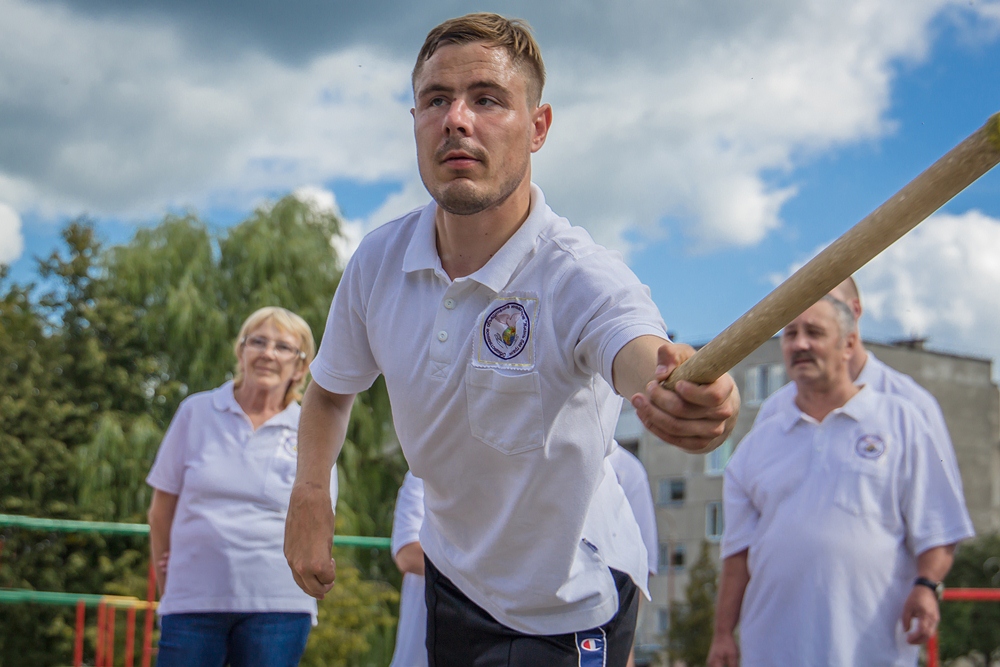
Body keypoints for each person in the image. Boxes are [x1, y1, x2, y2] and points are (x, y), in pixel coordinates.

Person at [284, 13, 739, 666]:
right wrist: (308, 498)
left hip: (569, 602)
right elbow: (329, 392)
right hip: (455, 579)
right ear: (415, 119)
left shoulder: (579, 274)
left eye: (487, 99)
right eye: (436, 99)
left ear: (538, 127)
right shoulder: (379, 262)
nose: (457, 119)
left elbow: (645, 355)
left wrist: (688, 388)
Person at [707, 296, 974, 667]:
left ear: (849, 343)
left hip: (874, 647)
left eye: (814, 333)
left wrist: (927, 586)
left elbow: (938, 526)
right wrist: (722, 635)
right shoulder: (757, 444)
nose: (799, 344)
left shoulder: (902, 420)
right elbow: (737, 557)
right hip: (771, 648)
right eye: (791, 335)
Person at [147, 307, 337, 667]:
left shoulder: (312, 427)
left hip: (278, 605)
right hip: (192, 601)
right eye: (258, 342)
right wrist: (168, 587)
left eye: (283, 347)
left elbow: (318, 519)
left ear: (300, 366)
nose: (267, 353)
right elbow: (160, 511)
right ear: (241, 351)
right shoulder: (196, 412)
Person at [387, 444, 659, 667]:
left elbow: (631, 579)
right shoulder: (441, 455)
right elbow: (407, 552)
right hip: (437, 647)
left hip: (561, 643)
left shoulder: (625, 472)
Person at [754, 276, 963, 489]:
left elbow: (938, 513)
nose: (813, 314)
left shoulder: (911, 405)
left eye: (828, 301)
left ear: (854, 310)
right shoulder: (775, 411)